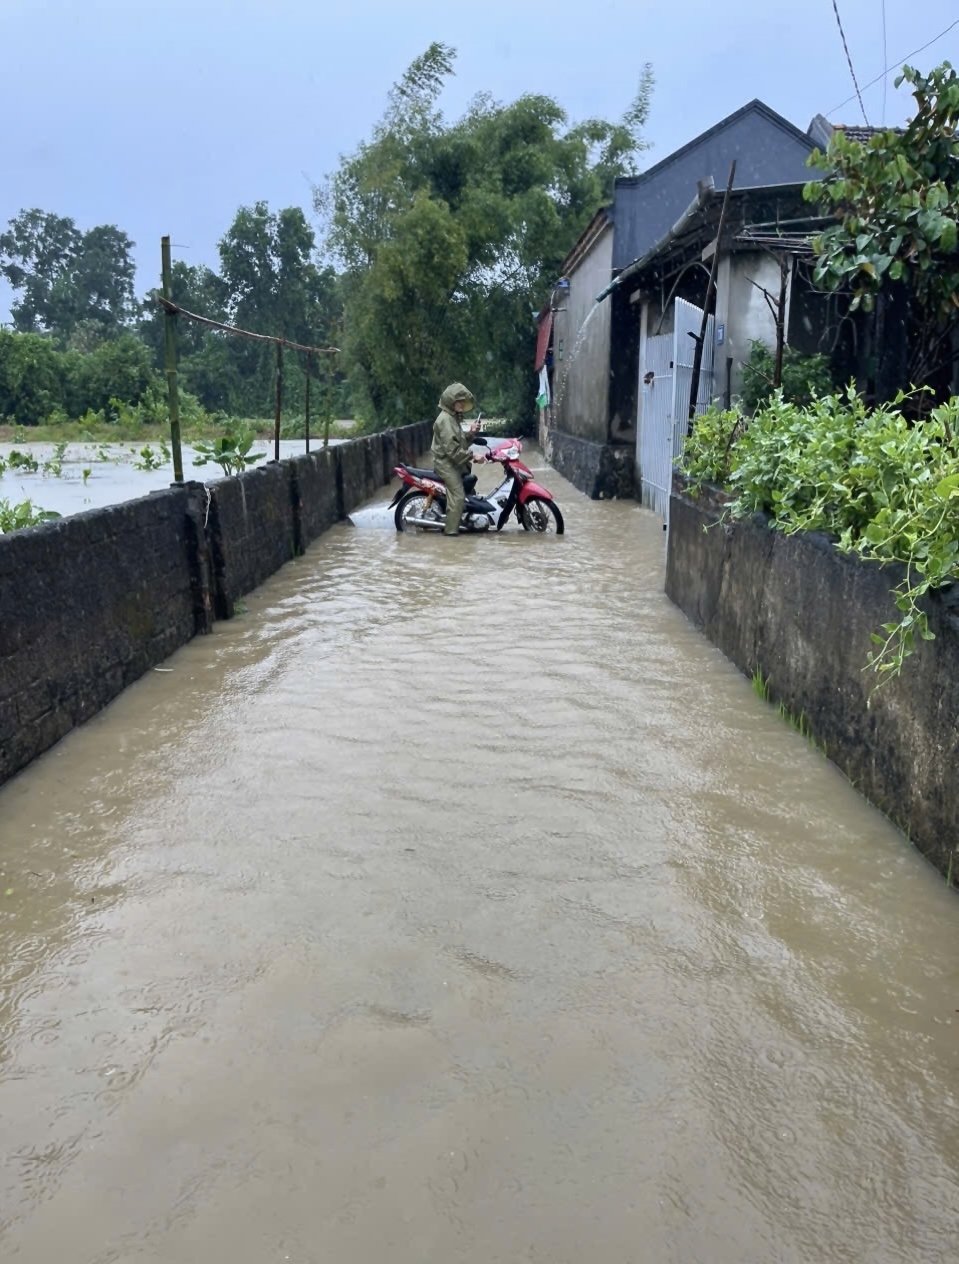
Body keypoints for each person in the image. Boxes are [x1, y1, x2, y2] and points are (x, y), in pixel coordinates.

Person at [431, 382, 484, 537]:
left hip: (454, 462)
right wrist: (473, 455)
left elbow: (460, 443)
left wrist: (471, 433)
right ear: (450, 402)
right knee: (458, 497)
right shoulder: (445, 420)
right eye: (459, 401)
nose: (462, 404)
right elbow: (452, 451)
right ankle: (451, 533)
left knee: (470, 491)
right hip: (446, 464)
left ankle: (467, 521)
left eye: (463, 401)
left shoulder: (453, 418)